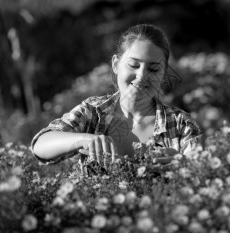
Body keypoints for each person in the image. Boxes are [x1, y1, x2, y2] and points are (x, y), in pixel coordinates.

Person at [31, 24, 202, 173]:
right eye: (134, 65)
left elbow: (205, 175)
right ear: (115, 65)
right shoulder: (94, 113)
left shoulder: (181, 124)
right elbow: (40, 146)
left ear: (163, 74)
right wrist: (84, 139)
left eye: (154, 69)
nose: (142, 76)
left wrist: (184, 165)